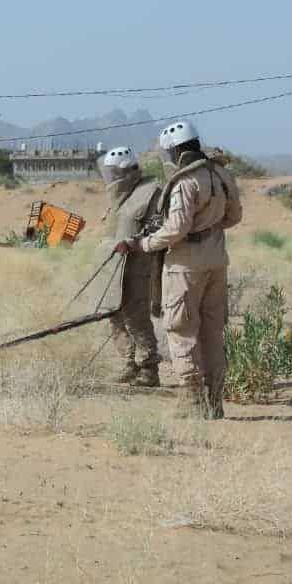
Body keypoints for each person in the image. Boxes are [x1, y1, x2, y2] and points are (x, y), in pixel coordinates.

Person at [114, 121, 243, 418]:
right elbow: (234, 216)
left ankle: (192, 401)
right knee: (212, 332)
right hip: (217, 260)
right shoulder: (221, 173)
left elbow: (176, 229)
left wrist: (142, 244)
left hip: (184, 266)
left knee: (181, 329)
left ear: (174, 151)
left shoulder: (185, 182)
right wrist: (209, 231)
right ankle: (215, 403)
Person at [99, 145, 161, 387]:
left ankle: (148, 369)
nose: (111, 179)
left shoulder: (151, 192)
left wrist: (133, 242)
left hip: (139, 265)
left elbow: (158, 226)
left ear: (127, 171)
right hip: (114, 265)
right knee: (114, 314)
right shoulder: (120, 198)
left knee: (136, 317)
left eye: (114, 173)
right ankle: (129, 363)